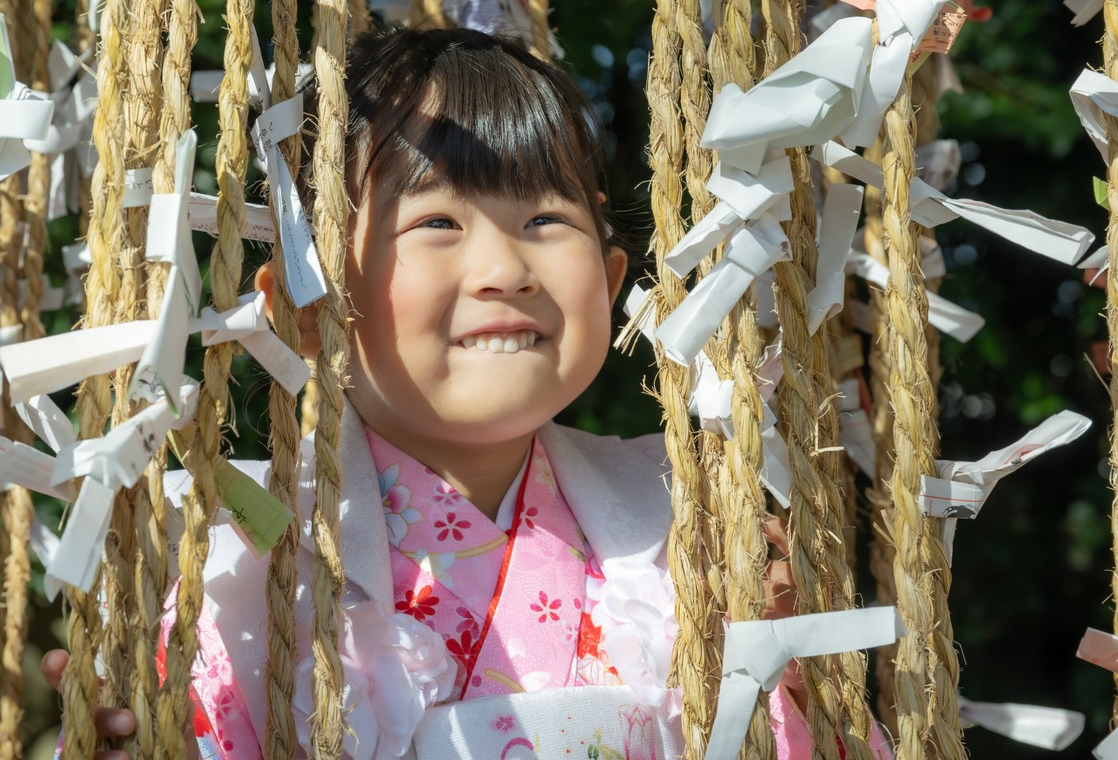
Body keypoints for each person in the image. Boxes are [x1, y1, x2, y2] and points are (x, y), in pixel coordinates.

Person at [43, 25, 893, 759]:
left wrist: (798, 674)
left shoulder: (697, 527)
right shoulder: (237, 581)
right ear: (303, 306)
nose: (504, 270)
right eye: (438, 223)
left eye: (544, 221)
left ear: (609, 278)